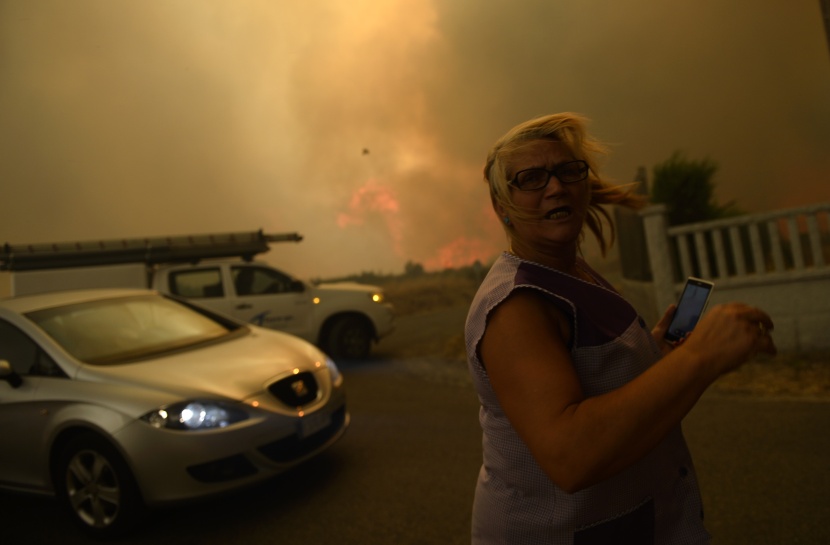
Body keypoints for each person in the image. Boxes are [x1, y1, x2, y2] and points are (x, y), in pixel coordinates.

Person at [465, 112, 776, 544]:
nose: (555, 186)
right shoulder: (516, 307)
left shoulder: (567, 269)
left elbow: (582, 373)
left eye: (568, 170)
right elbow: (570, 455)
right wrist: (697, 358)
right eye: (531, 178)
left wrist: (651, 359)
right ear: (503, 206)